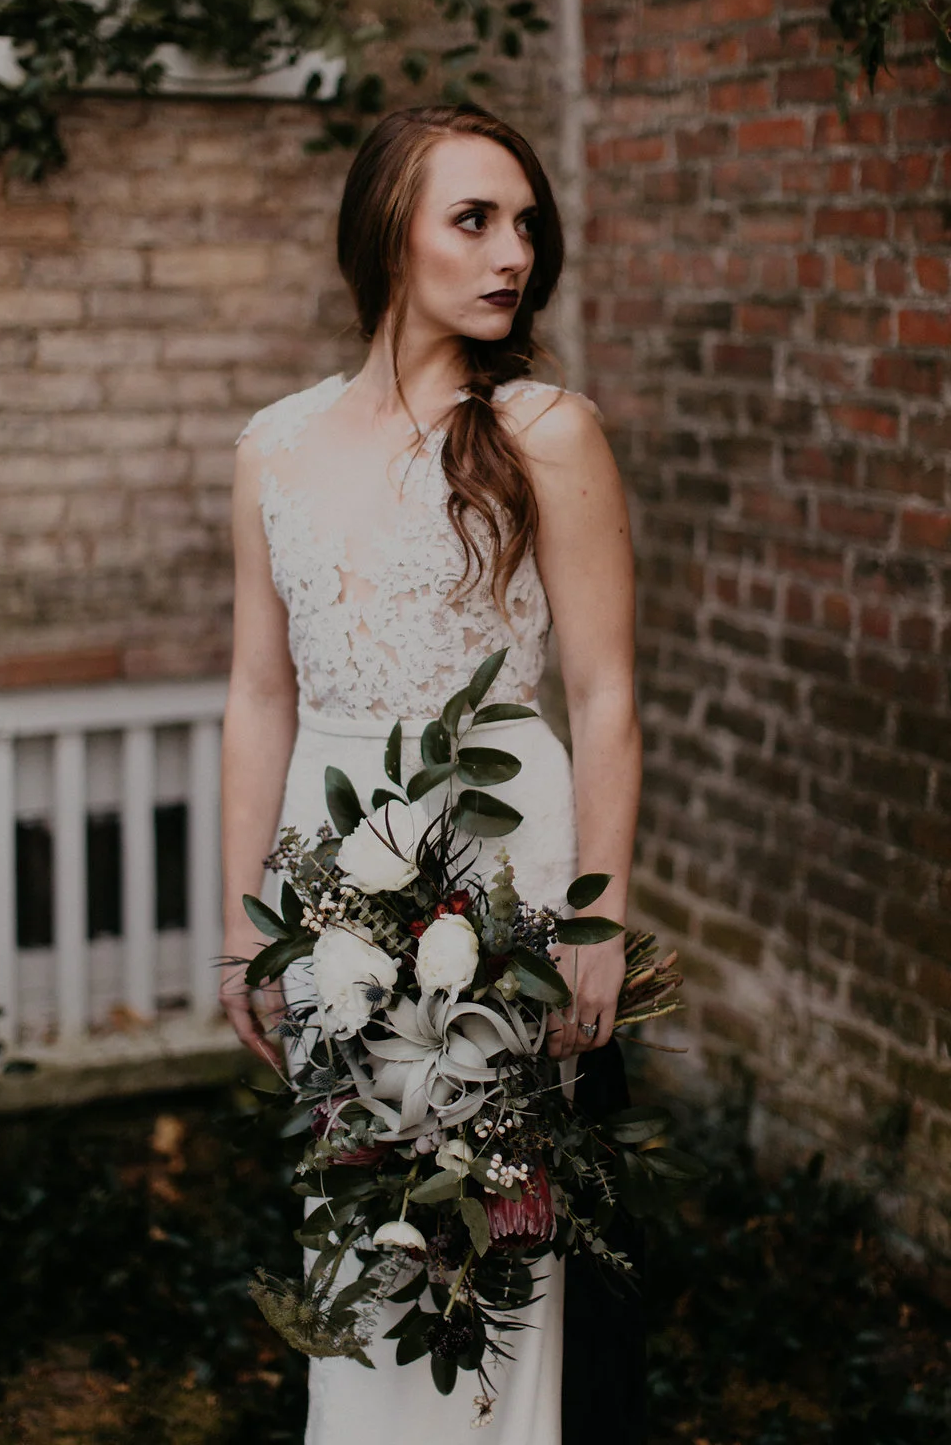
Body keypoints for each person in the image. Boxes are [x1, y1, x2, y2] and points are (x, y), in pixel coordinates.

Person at [219, 103, 645, 1444]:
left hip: (499, 869)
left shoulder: (546, 430)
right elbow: (256, 694)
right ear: (387, 233)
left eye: (525, 224)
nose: (513, 250)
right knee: (356, 1232)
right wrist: (248, 931)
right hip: (333, 883)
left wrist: (596, 920)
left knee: (491, 1237)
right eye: (475, 219)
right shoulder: (272, 449)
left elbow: (607, 693)